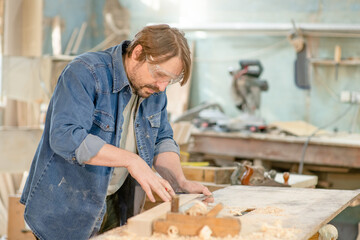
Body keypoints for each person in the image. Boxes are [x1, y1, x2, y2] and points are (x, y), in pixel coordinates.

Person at [20, 24, 211, 240]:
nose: (162, 87)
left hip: (114, 203)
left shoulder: (154, 90)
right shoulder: (85, 72)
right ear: (138, 53)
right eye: (160, 74)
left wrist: (180, 182)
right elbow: (65, 136)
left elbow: (162, 139)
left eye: (171, 80)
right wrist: (132, 160)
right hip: (67, 209)